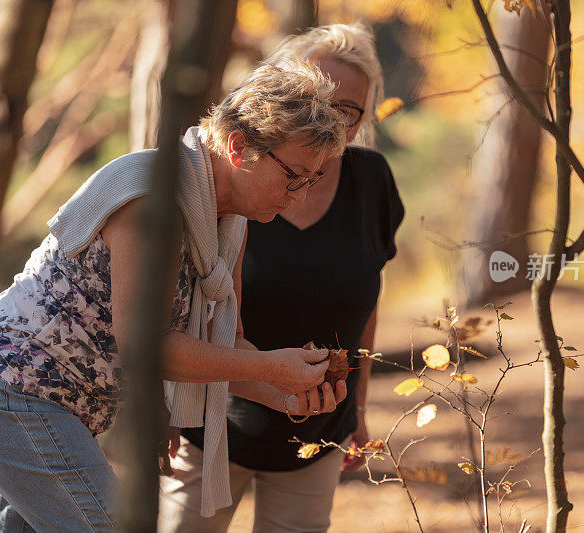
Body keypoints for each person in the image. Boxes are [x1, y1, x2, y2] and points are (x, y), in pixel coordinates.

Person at [0, 59, 350, 532]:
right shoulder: (152, 198)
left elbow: (227, 349)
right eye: (293, 174)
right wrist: (270, 368)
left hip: (56, 406)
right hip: (7, 388)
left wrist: (284, 395)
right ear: (239, 147)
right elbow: (144, 346)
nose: (299, 194)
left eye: (312, 179)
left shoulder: (228, 222)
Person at [159, 23, 404, 532]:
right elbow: (171, 313)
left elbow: (368, 294)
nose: (329, 117)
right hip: (207, 425)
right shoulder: (235, 185)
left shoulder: (372, 181)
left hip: (316, 432)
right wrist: (164, 407)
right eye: (316, 96)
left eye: (348, 109)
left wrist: (356, 406)